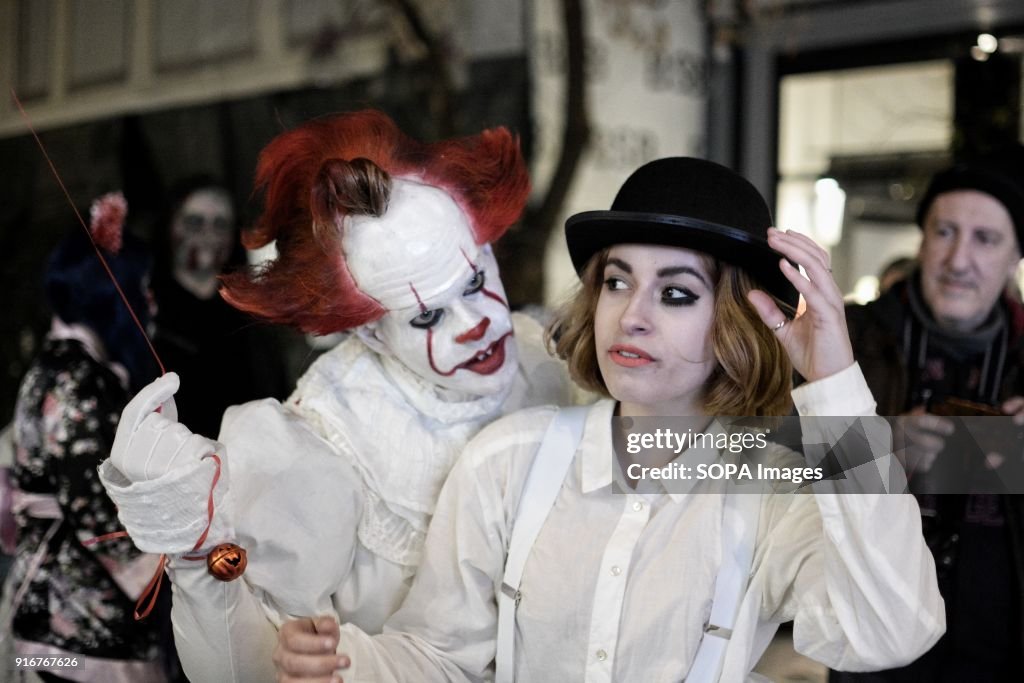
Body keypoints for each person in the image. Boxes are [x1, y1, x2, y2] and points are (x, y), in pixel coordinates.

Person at [272, 157, 945, 682]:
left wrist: (834, 385)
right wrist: (346, 663)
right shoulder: (509, 459)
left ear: (737, 321)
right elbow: (443, 656)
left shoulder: (772, 483)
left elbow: (889, 630)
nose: (632, 314)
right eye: (617, 281)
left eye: (676, 292)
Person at [96, 110, 572, 682]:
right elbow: (241, 674)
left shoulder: (545, 360)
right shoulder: (325, 445)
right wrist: (199, 555)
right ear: (370, 331)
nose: (476, 325)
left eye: (474, 280)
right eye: (427, 315)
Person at [833, 155, 1024, 681]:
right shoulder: (846, 339)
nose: (959, 260)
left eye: (986, 239)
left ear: (1015, 256)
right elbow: (766, 466)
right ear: (921, 241)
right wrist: (878, 449)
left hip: (1001, 652)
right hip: (872, 650)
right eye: (945, 232)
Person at [5, 193, 168, 681]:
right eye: (141, 289)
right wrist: (178, 576)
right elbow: (97, 513)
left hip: (53, 622)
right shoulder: (80, 384)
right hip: (82, 634)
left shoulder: (56, 369)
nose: (150, 302)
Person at [151, 176, 290, 437]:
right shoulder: (146, 313)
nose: (208, 234)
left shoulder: (252, 316)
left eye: (221, 224)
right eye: (194, 222)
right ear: (169, 226)